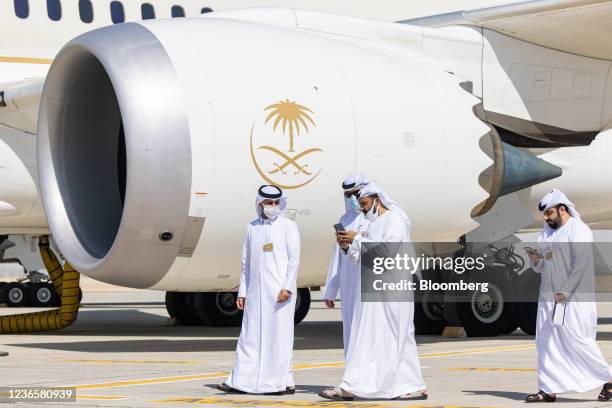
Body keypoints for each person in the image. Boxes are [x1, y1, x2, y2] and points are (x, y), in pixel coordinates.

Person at [320, 182, 427, 401]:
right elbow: (362, 257)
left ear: (377, 199)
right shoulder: (371, 223)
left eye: (365, 203)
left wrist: (356, 240)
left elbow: (388, 252)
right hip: (374, 290)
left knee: (396, 338)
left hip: (393, 290)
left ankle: (411, 385)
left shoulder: (394, 220)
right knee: (371, 339)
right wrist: (347, 247)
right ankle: (357, 385)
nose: (363, 208)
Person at [525, 188, 612, 403]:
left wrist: (564, 291)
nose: (546, 218)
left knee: (577, 340)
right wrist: (536, 260)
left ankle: (609, 378)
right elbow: (544, 266)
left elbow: (580, 265)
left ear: (562, 209)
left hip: (571, 300)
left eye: (549, 214)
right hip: (548, 298)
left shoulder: (579, 230)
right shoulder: (546, 233)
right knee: (545, 342)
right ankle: (548, 389)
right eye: (545, 215)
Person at [218, 185, 300, 395]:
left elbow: (294, 261)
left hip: (280, 293)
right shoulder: (252, 227)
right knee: (249, 337)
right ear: (260, 204)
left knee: (278, 337)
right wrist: (243, 292)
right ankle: (241, 379)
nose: (273, 207)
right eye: (268, 203)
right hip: (255, 293)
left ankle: (279, 381)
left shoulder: (288, 226)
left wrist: (287, 287)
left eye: (276, 203)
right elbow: (246, 262)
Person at [320, 174, 369, 397]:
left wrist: (357, 238)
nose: (352, 199)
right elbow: (337, 256)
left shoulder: (375, 219)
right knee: (350, 333)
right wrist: (331, 289)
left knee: (366, 334)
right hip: (349, 286)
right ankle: (352, 380)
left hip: (367, 284)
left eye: (355, 194)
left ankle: (366, 380)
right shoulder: (345, 218)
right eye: (347, 195)